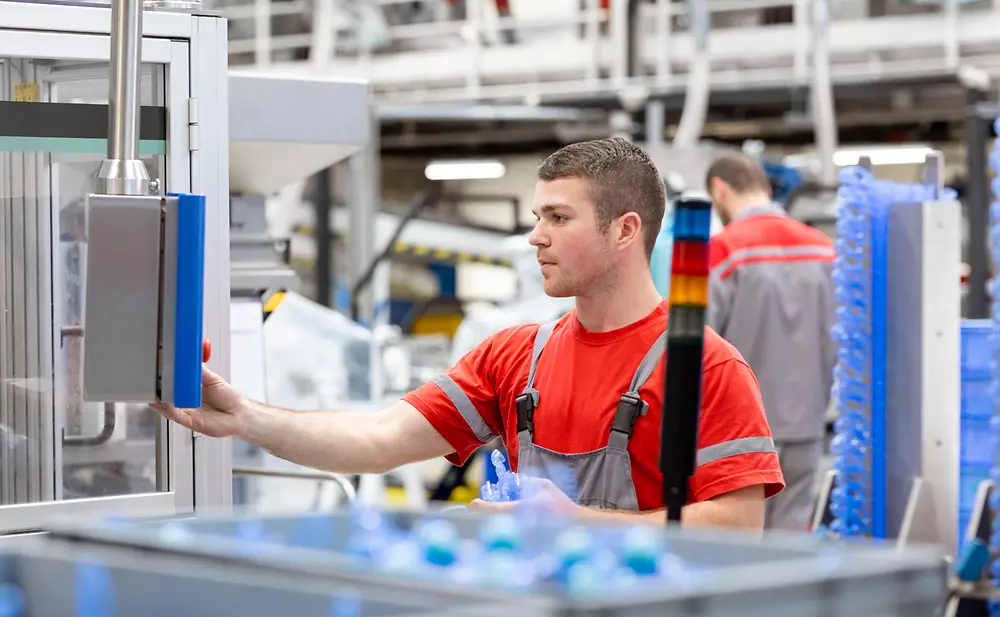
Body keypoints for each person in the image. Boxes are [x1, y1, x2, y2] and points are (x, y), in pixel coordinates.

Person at [155, 138, 784, 530]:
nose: (536, 235)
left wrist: (577, 525)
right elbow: (379, 437)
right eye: (538, 216)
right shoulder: (517, 357)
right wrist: (245, 418)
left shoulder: (706, 367)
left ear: (625, 231)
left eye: (558, 218)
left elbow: (737, 524)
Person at [704, 151, 836, 531]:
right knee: (790, 547)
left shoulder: (722, 251)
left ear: (720, 190)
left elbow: (692, 348)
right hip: (808, 429)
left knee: (738, 550)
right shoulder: (824, 248)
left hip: (737, 438)